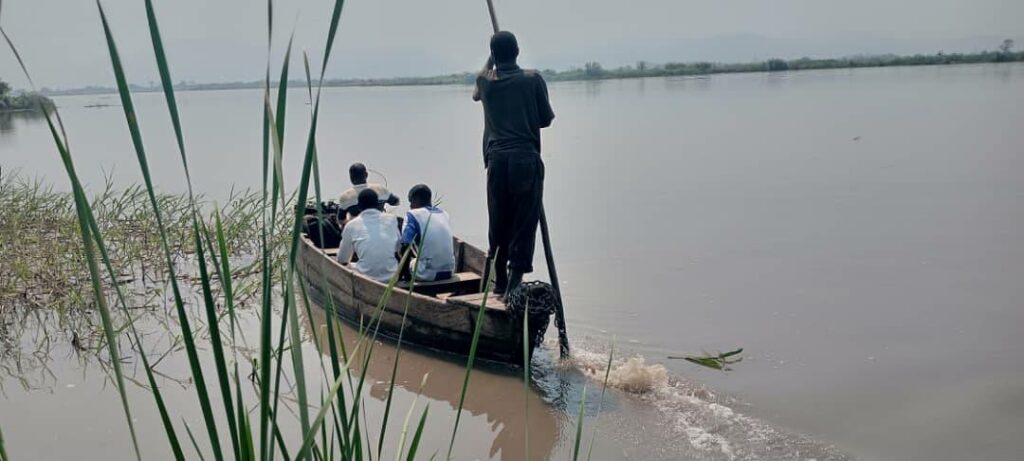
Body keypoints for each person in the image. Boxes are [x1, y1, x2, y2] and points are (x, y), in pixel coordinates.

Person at [472, 31, 555, 295]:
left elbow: (476, 92)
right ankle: (514, 284)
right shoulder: (533, 79)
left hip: (496, 161)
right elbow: (545, 119)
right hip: (525, 159)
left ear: (493, 56)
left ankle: (499, 281)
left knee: (498, 221)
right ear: (518, 51)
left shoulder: (485, 81)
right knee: (524, 222)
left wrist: (492, 58)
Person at [336, 189, 400, 283]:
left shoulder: (351, 225)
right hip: (391, 278)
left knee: (344, 265)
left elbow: (342, 259)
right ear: (377, 204)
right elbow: (398, 247)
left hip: (365, 278)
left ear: (359, 206)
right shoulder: (392, 219)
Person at [399, 184, 456, 282]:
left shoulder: (412, 215)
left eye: (411, 201)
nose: (410, 205)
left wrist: (404, 277)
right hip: (449, 271)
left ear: (416, 199)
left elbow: (405, 245)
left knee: (410, 262)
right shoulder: (444, 214)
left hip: (426, 273)